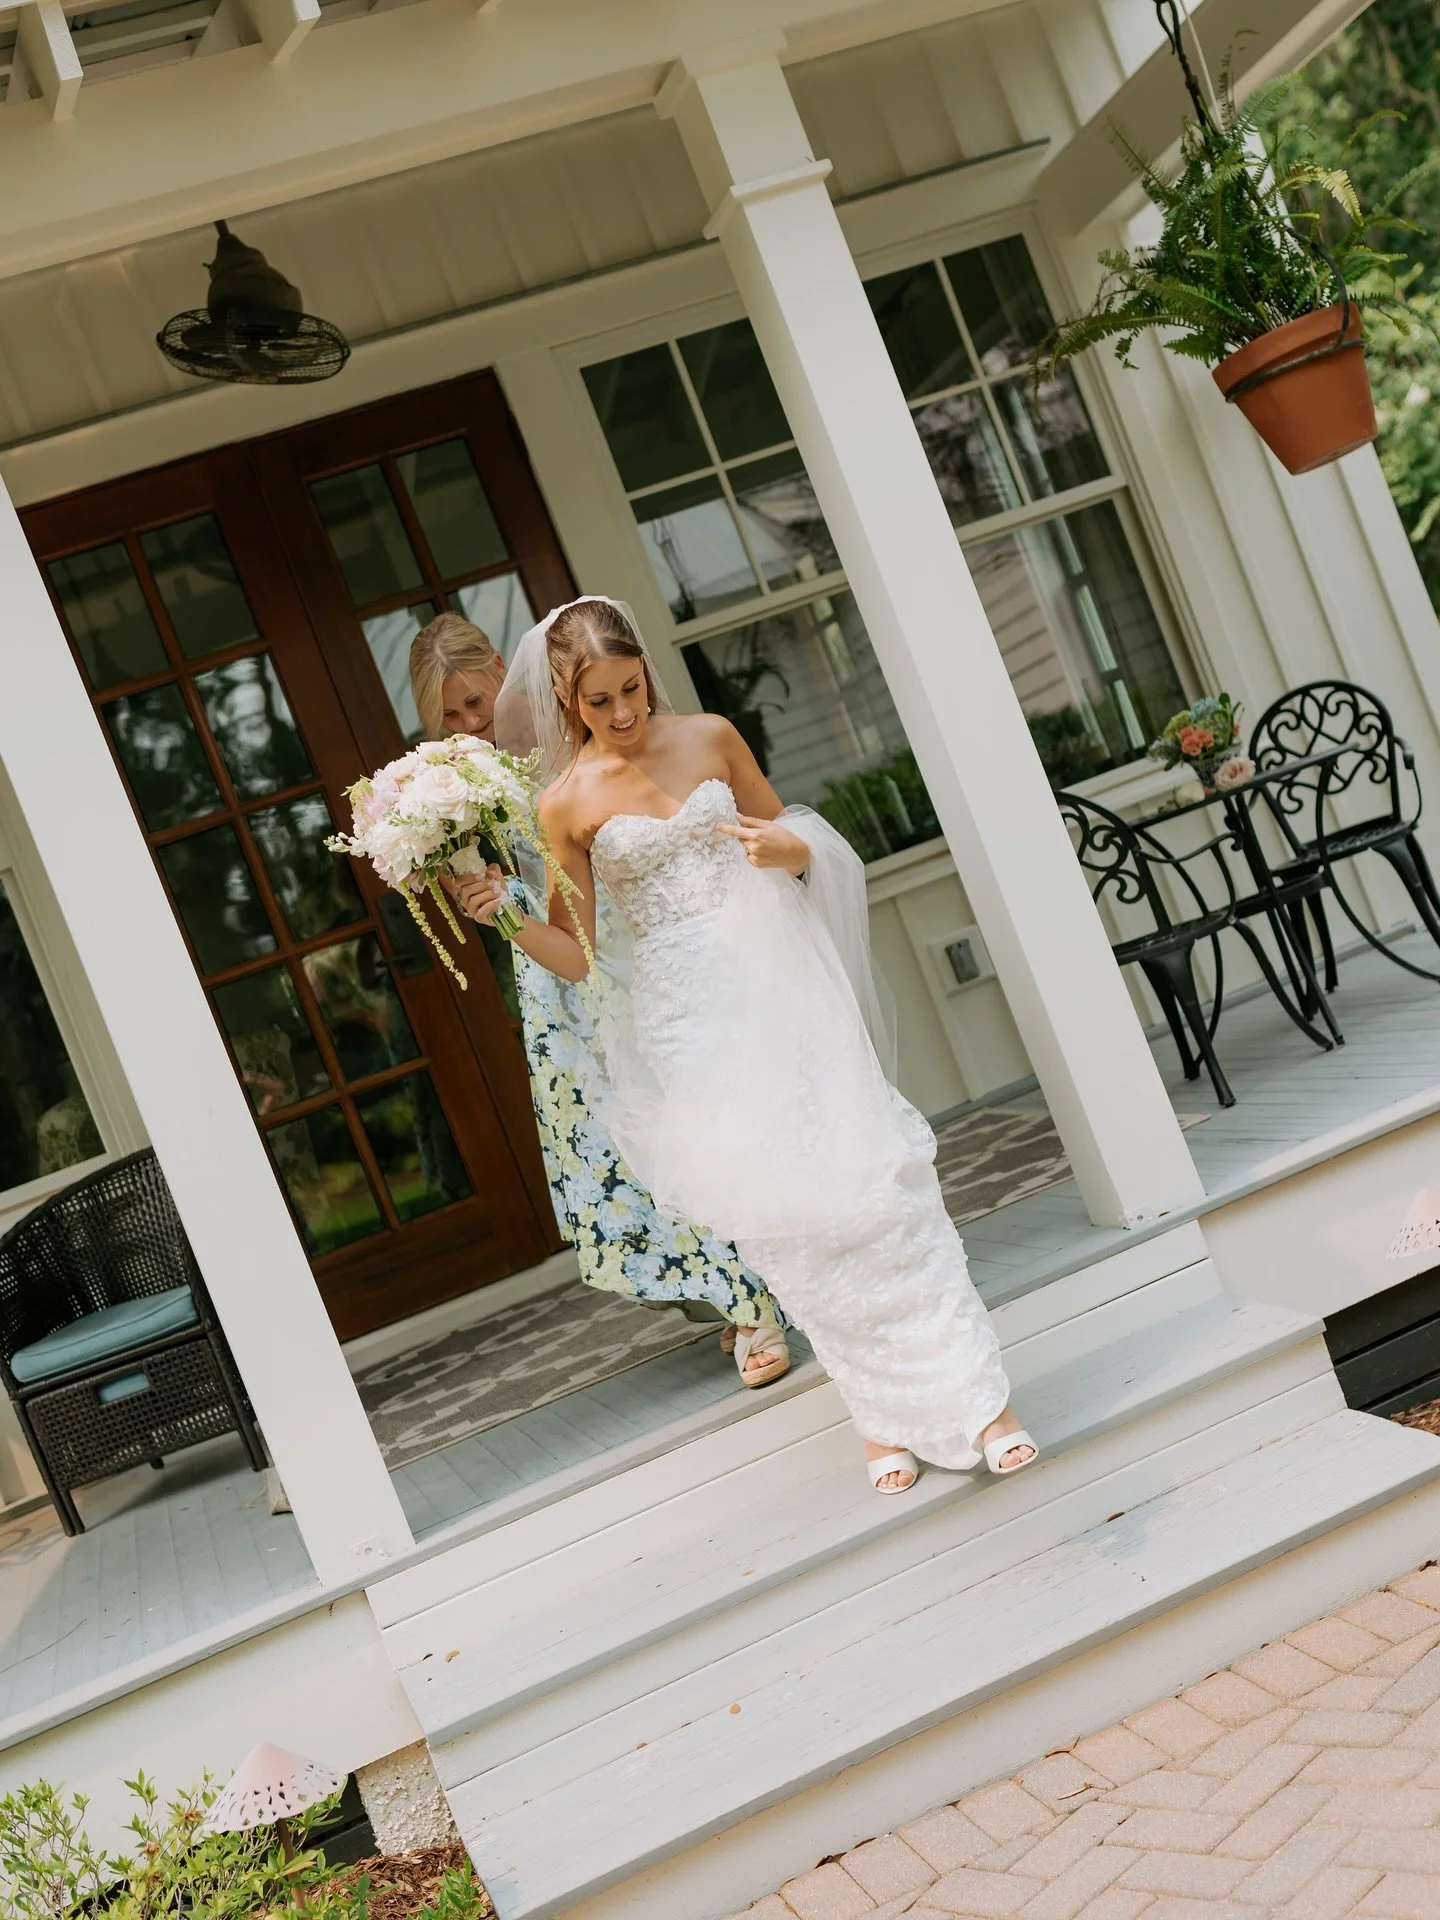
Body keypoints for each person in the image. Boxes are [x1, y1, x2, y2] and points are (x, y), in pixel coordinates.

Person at [456, 596, 1037, 1495]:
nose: (623, 712)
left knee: (876, 1189)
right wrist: (506, 916)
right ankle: (880, 1416)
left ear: (645, 671)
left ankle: (983, 1404)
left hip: (785, 989)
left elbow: (796, 841)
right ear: (567, 700)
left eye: (631, 687)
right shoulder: (563, 805)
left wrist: (786, 851)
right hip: (689, 1027)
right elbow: (578, 955)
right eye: (600, 700)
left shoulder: (713, 737)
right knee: (791, 1224)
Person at [407, 610, 791, 1386]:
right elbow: (506, 886)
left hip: (627, 947)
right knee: (630, 1146)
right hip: (556, 974)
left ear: (505, 678)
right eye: (450, 715)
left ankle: (760, 1297)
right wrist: (465, 875)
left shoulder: (563, 743)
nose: (471, 724)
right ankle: (729, 1288)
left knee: (690, 1118)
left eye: (476, 702)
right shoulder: (450, 783)